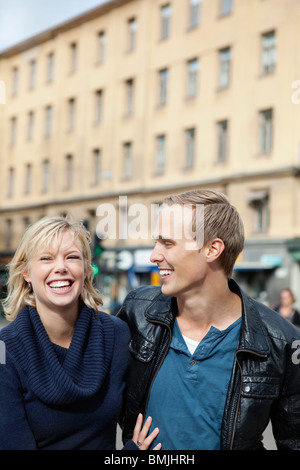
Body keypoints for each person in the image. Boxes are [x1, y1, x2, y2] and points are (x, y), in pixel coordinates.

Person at [118, 189, 300, 450]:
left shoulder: (283, 341)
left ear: (212, 249)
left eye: (168, 243)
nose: (154, 255)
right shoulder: (137, 312)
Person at [0, 216, 160, 450]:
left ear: (86, 268)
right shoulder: (5, 350)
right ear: (26, 272)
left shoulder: (116, 335)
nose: (61, 267)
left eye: (72, 257)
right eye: (46, 258)